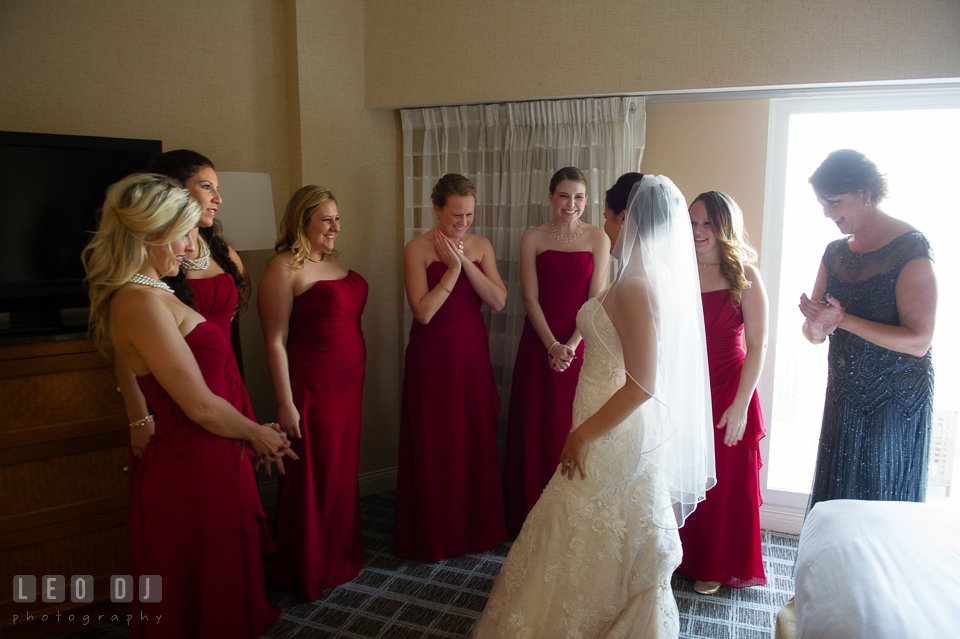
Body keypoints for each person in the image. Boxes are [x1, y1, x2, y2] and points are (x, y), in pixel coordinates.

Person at [472, 173, 715, 639]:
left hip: (610, 430)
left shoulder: (636, 287)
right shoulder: (637, 278)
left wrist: (582, 434)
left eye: (605, 214)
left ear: (626, 218)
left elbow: (643, 383)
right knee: (587, 533)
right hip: (603, 417)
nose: (602, 224)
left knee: (592, 528)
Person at [83, 173, 294, 638]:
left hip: (208, 453)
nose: (188, 246)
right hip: (190, 463)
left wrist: (246, 430)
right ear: (150, 235)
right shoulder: (139, 301)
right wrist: (255, 432)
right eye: (182, 233)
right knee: (198, 593)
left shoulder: (154, 292)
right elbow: (198, 405)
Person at [799, 149, 935, 509]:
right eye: (823, 204)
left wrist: (843, 321)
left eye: (834, 202)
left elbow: (919, 340)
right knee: (838, 499)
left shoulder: (911, 247)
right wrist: (816, 328)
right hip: (844, 394)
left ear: (865, 193)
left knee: (879, 500)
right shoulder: (834, 253)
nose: (828, 213)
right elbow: (814, 333)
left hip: (896, 401)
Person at [259, 185, 368, 599]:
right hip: (312, 386)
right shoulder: (283, 268)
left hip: (348, 385)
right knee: (314, 471)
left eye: (337, 218)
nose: (335, 227)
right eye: (326, 219)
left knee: (340, 469)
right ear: (302, 221)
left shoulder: (332, 261)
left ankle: (337, 552)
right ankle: (307, 562)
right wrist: (286, 404)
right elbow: (274, 341)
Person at [395, 173, 508, 561]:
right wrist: (452, 272)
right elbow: (422, 313)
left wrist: (465, 261)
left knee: (472, 437)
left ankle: (474, 528)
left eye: (469, 216)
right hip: (432, 356)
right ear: (437, 209)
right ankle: (435, 533)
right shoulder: (416, 248)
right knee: (436, 441)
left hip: (470, 353)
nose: (463, 223)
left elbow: (498, 300)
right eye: (455, 215)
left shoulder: (481, 245)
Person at [504, 167, 611, 535]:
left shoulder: (598, 237)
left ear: (587, 200)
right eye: (564, 196)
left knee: (574, 422)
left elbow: (596, 300)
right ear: (551, 197)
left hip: (580, 342)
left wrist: (570, 345)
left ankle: (569, 520)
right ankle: (532, 514)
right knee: (539, 422)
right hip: (539, 340)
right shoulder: (532, 237)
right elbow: (529, 297)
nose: (572, 204)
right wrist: (551, 344)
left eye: (579, 197)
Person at [676, 191, 768, 595]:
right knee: (683, 471)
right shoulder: (677, 269)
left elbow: (759, 344)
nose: (697, 231)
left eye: (707, 223)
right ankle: (680, 555)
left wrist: (741, 405)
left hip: (729, 387)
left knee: (725, 482)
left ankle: (714, 564)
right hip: (685, 385)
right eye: (692, 222)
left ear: (723, 227)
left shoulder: (744, 273)